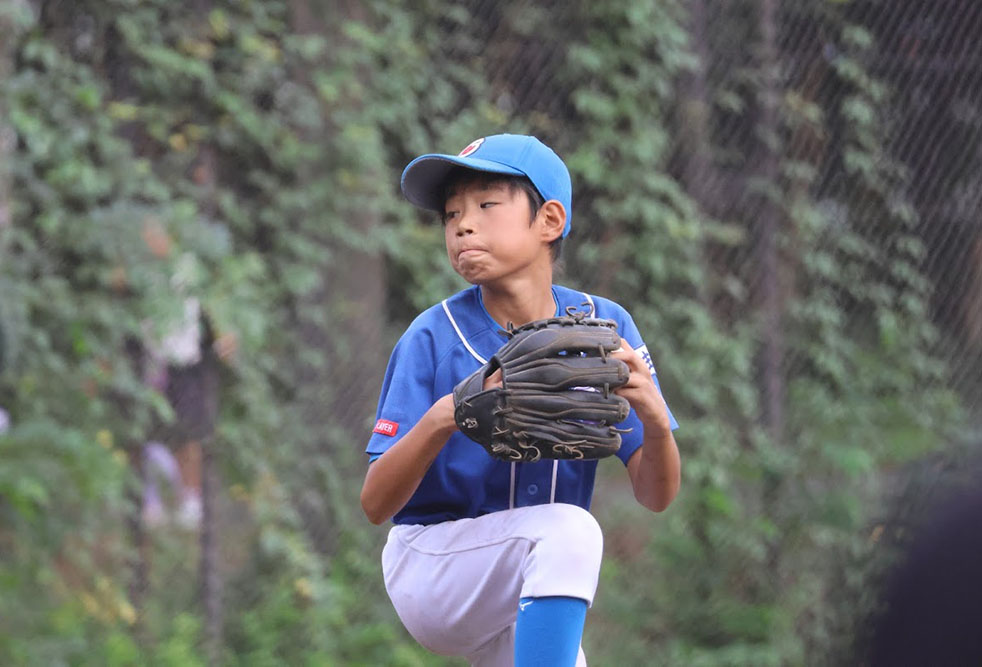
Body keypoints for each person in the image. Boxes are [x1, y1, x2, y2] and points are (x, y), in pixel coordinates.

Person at [361, 134, 681, 666]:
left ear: (549, 220)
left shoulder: (604, 328)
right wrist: (447, 415)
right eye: (451, 214)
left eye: (486, 204)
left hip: (532, 575)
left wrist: (656, 423)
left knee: (560, 553)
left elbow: (656, 496)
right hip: (433, 564)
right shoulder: (433, 336)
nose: (463, 225)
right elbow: (376, 505)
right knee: (569, 530)